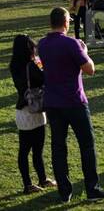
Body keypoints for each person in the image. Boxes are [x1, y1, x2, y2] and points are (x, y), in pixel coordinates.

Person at [38, 7, 104, 203]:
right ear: (65, 22)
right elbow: (90, 70)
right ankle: (92, 189)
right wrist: (84, 51)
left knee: (58, 147)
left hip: (53, 102)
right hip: (74, 101)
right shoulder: (71, 43)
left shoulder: (42, 44)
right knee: (87, 144)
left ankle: (64, 191)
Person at [10, 34, 56, 194]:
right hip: (34, 109)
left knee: (25, 149)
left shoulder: (15, 65)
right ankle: (35, 182)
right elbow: (45, 79)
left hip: (23, 110)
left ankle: (34, 181)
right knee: (35, 149)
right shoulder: (30, 66)